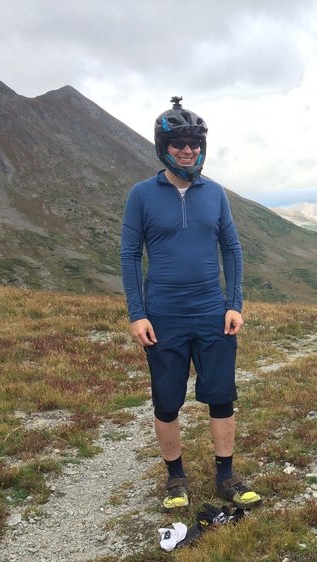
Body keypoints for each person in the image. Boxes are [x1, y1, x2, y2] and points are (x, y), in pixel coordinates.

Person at [120, 96, 260, 510]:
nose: (188, 150)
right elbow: (129, 255)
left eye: (194, 143)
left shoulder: (215, 193)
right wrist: (137, 312)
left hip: (211, 312)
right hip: (163, 316)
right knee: (167, 400)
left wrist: (233, 304)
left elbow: (232, 249)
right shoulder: (142, 195)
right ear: (163, 146)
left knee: (220, 396)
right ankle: (175, 478)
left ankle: (226, 476)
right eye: (179, 142)